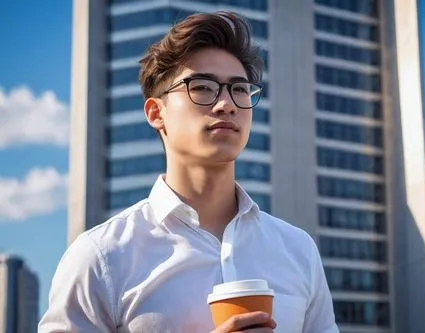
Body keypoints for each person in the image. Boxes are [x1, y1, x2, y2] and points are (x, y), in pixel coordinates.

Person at [39, 11, 339, 333]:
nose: (227, 104)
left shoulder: (298, 250)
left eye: (239, 89)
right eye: (203, 87)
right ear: (156, 113)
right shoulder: (101, 258)